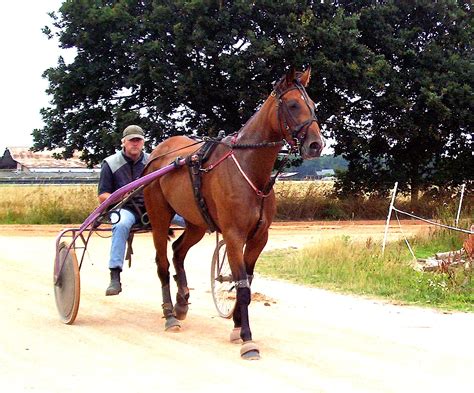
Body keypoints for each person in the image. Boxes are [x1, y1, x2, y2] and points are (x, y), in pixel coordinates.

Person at [98, 125, 184, 296]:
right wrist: (121, 196)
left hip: (158, 209)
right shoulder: (110, 163)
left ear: (143, 142)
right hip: (126, 209)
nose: (135, 144)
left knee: (191, 219)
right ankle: (115, 275)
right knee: (121, 225)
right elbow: (102, 195)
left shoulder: (153, 162)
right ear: (124, 142)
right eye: (132, 140)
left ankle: (179, 264)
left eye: (138, 140)